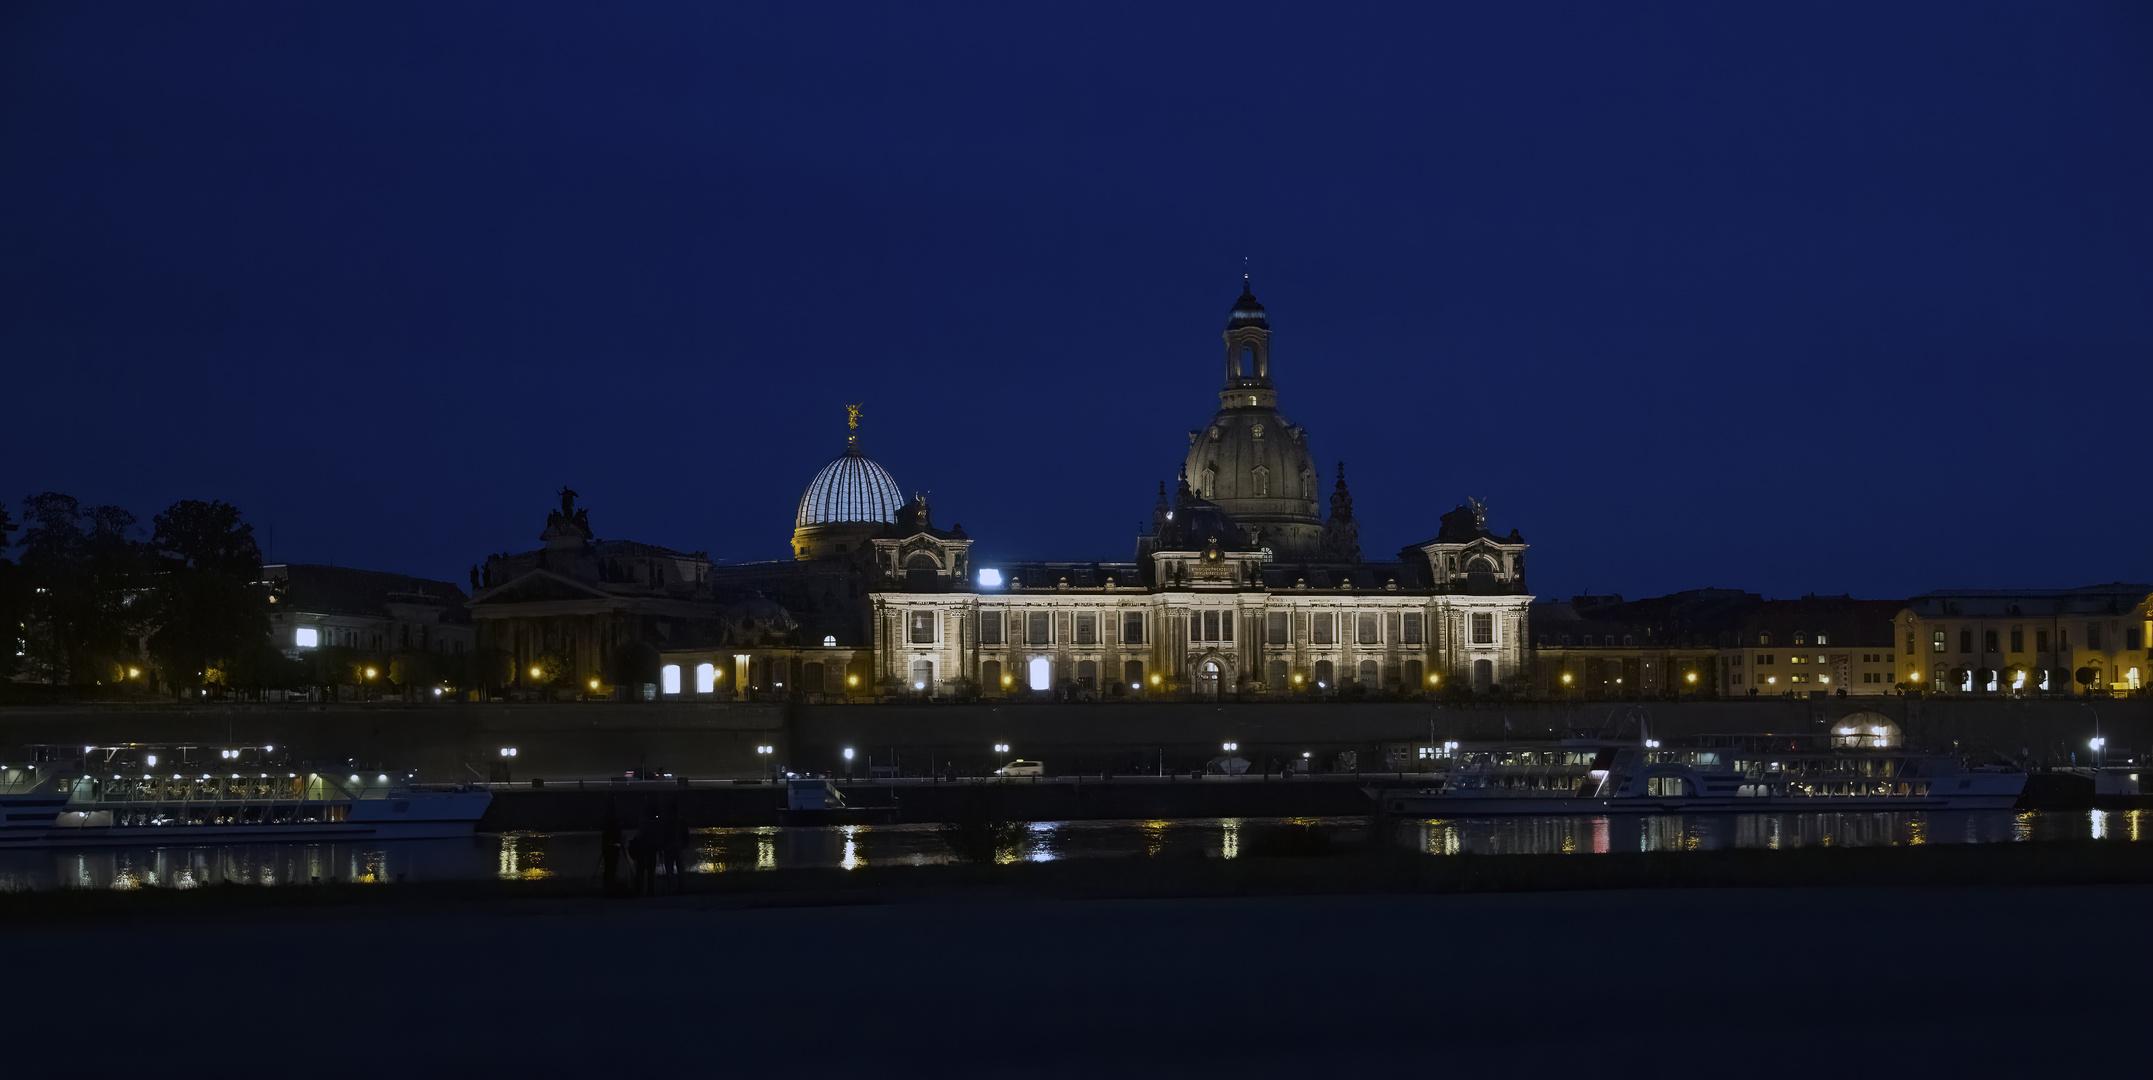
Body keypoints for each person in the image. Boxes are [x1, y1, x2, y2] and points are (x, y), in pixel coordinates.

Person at [599, 801, 623, 894]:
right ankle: (610, 888)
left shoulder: (606, 821)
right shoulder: (615, 821)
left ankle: (608, 888)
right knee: (612, 869)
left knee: (608, 869)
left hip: (608, 848)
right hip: (613, 848)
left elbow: (604, 836)